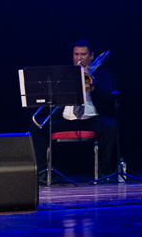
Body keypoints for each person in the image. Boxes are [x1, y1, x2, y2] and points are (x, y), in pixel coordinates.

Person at [29, 39, 118, 179]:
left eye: (83, 54)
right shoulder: (64, 73)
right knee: (36, 126)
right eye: (76, 54)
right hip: (65, 119)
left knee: (112, 126)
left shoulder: (103, 73)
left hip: (92, 119)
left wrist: (94, 84)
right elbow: (51, 98)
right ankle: (44, 173)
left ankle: (103, 173)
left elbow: (108, 97)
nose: (79, 58)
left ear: (92, 56)